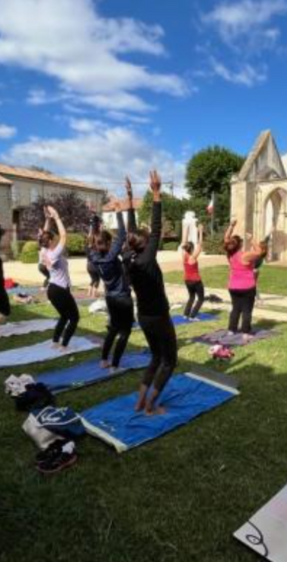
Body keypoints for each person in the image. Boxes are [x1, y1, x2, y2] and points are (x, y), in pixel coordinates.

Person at [125, 170, 177, 415]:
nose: (149, 237)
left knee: (155, 358)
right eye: (147, 238)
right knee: (169, 361)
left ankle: (139, 402)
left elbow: (133, 231)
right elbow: (156, 228)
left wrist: (130, 197)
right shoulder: (146, 257)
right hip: (158, 316)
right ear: (144, 243)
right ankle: (149, 407)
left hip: (143, 316)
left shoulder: (131, 259)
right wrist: (156, 193)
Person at [89, 177, 135, 370]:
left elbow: (92, 239)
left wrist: (94, 221)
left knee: (113, 329)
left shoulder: (93, 256)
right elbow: (122, 235)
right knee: (125, 332)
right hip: (122, 298)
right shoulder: (109, 256)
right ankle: (115, 364)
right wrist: (118, 212)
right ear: (108, 244)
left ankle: (103, 360)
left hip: (110, 298)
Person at [39, 206, 80, 350]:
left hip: (52, 290)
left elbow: (44, 234)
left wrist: (47, 219)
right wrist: (56, 217)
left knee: (64, 316)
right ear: (49, 241)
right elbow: (63, 236)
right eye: (52, 238)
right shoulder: (53, 254)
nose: (55, 239)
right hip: (60, 290)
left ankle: (55, 341)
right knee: (74, 318)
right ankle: (64, 345)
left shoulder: (43, 251)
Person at [223, 220, 267, 340]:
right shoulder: (245, 255)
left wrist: (231, 226)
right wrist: (251, 239)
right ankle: (245, 332)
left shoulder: (230, 254)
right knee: (247, 310)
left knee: (236, 309)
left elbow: (226, 239)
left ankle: (231, 330)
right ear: (240, 245)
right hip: (247, 287)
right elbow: (259, 252)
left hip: (233, 287)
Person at [182, 227, 205, 320]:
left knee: (191, 297)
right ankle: (193, 316)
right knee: (201, 298)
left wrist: (186, 230)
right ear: (192, 249)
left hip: (187, 280)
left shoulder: (184, 255)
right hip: (196, 280)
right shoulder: (193, 257)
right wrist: (200, 232)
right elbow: (200, 245)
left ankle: (185, 314)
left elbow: (183, 243)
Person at [86, 215, 103, 300]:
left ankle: (89, 293)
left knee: (93, 279)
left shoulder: (89, 241)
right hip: (95, 265)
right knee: (97, 279)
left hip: (88, 265)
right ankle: (93, 295)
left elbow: (91, 234)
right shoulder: (97, 241)